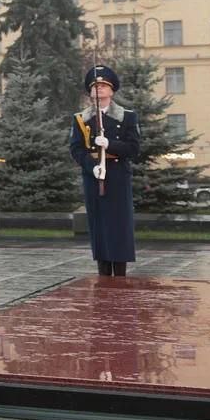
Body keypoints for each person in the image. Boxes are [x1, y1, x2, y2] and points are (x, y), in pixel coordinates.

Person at [70, 65, 139, 277]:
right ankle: (103, 273)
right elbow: (76, 149)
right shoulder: (81, 118)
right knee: (98, 225)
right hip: (94, 178)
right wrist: (93, 167)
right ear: (90, 92)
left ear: (112, 90)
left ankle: (119, 274)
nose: (98, 89)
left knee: (119, 226)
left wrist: (110, 144)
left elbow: (134, 149)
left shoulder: (127, 117)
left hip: (117, 176)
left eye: (103, 85)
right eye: (95, 86)